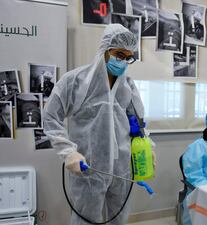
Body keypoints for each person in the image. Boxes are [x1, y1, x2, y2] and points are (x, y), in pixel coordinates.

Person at [43, 24, 149, 225]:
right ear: (105, 50)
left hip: (122, 169)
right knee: (85, 220)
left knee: (118, 219)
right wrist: (68, 152)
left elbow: (138, 122)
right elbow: (50, 118)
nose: (123, 61)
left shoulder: (127, 85)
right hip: (88, 169)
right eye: (119, 54)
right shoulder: (75, 81)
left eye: (128, 57)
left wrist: (147, 147)